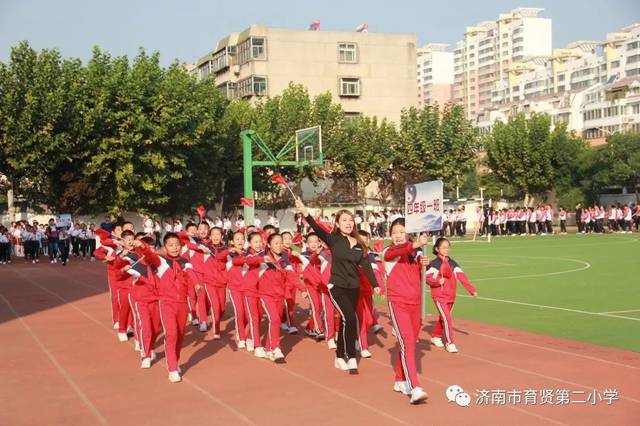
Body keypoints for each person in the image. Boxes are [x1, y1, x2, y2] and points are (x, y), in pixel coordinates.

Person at [296, 198, 380, 374]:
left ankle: (339, 356)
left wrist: (376, 285)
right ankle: (350, 357)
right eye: (344, 221)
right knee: (350, 318)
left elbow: (365, 266)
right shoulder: (333, 240)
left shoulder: (359, 244)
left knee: (344, 322)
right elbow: (317, 228)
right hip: (337, 287)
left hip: (354, 287)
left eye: (350, 221)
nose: (348, 224)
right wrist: (304, 211)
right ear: (337, 223)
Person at [383, 219, 430, 404]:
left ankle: (400, 380)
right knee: (407, 342)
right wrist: (416, 243)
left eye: (402, 232)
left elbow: (422, 272)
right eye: (394, 232)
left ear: (408, 233)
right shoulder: (388, 252)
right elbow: (401, 250)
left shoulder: (416, 253)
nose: (398, 235)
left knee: (410, 343)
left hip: (415, 305)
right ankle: (415, 387)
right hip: (398, 303)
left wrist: (424, 262)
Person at [145, 232, 200, 383]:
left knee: (180, 336)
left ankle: (175, 359)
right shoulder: (161, 262)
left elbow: (191, 273)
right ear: (165, 247)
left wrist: (196, 284)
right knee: (171, 334)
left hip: (182, 304)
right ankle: (172, 368)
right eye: (171, 245)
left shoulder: (185, 261)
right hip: (166, 302)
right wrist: (141, 247)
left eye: (177, 245)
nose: (175, 248)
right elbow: (149, 257)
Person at [426, 237, 478, 353]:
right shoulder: (435, 264)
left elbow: (461, 276)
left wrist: (471, 290)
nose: (446, 249)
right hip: (439, 296)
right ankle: (450, 343)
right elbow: (427, 278)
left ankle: (435, 336)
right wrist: (437, 281)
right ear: (437, 249)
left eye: (447, 247)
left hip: (451, 296)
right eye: (443, 247)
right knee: (447, 319)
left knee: (443, 318)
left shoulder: (453, 263)